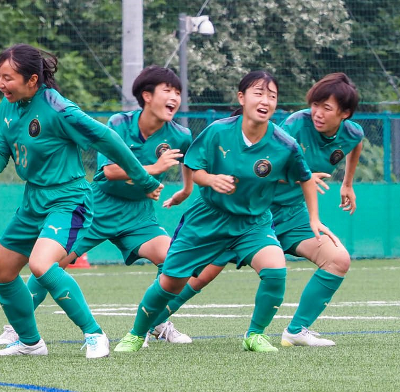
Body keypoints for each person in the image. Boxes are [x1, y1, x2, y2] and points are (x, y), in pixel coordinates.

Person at [138, 72, 362, 348]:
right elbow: (263, 164)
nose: (316, 112)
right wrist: (301, 177)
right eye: (315, 104)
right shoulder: (293, 126)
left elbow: (354, 145)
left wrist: (347, 184)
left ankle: (296, 330)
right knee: (196, 279)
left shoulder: (353, 132)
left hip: (291, 215)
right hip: (250, 212)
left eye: (326, 108)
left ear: (345, 114)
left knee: (338, 259)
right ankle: (147, 327)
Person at [0, 45, 162, 359]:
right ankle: (30, 342)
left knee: (41, 264)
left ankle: (94, 334)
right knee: (1, 271)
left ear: (32, 80)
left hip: (68, 200)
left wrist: (143, 179)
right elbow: (0, 149)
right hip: (33, 201)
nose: (0, 83)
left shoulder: (58, 108)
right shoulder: (7, 107)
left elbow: (107, 139)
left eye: (7, 77)